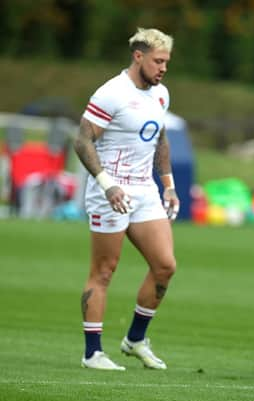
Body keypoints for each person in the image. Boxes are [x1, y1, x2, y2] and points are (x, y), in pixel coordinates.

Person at [73, 28, 179, 371]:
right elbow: (82, 141)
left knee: (165, 266)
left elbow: (160, 139)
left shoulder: (161, 94)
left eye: (166, 62)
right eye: (158, 61)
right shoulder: (112, 93)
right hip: (111, 191)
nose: (163, 68)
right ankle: (92, 353)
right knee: (104, 271)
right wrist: (107, 185)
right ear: (138, 56)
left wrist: (169, 185)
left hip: (145, 191)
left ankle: (135, 339)